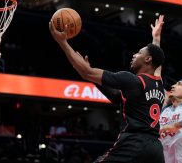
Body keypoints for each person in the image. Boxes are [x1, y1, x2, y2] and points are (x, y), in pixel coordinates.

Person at [49, 16, 166, 163]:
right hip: (156, 148)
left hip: (134, 143)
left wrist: (62, 42)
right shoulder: (159, 85)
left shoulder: (132, 80)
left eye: (138, 53)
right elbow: (118, 97)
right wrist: (156, 38)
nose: (134, 55)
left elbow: (87, 71)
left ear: (148, 59)